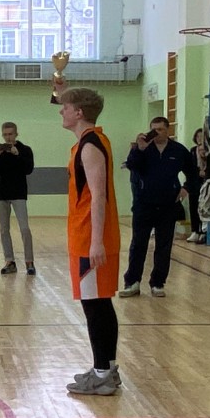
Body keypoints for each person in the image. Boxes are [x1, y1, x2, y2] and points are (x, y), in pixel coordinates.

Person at [58, 87, 123, 396]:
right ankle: (105, 368)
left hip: (90, 237)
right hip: (85, 235)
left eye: (66, 107)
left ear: (79, 113)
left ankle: (102, 374)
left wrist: (96, 242)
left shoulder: (90, 146)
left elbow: (98, 196)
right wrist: (62, 87)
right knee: (99, 303)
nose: (61, 111)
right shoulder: (89, 141)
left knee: (95, 306)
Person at [119, 116, 192, 298]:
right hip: (143, 205)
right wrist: (140, 149)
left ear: (168, 130)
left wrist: (185, 189)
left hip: (168, 205)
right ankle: (132, 282)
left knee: (163, 246)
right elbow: (132, 165)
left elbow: (193, 173)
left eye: (160, 129)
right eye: (154, 129)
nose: (156, 133)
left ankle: (158, 283)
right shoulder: (142, 148)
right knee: (138, 244)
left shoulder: (178, 150)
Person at [0, 121, 35, 276]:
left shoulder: (25, 150)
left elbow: (28, 169)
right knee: (4, 230)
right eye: (5, 134)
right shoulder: (0, 151)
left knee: (24, 228)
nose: (8, 137)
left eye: (10, 134)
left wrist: (17, 155)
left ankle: (29, 262)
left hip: (19, 193)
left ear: (16, 134)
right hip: (1, 193)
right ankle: (9, 261)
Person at [183, 128, 206, 241]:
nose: (199, 139)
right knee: (193, 207)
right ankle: (195, 231)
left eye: (202, 136)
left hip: (205, 183)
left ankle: (203, 231)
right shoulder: (192, 151)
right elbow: (189, 167)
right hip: (194, 182)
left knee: (204, 208)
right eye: (197, 137)